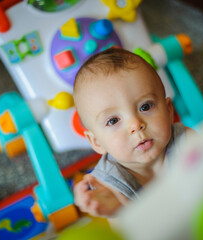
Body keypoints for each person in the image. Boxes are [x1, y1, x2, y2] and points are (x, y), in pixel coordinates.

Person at [73, 48, 191, 218]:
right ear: (97, 142)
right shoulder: (108, 185)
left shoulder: (184, 140)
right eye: (113, 120)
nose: (135, 125)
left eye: (145, 107)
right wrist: (117, 209)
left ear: (169, 110)